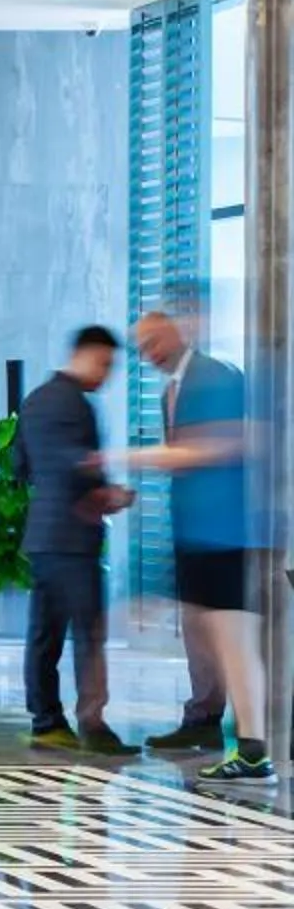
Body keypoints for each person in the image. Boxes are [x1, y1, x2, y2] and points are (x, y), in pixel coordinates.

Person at [125, 307, 271, 782]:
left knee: (234, 643)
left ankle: (252, 749)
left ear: (179, 329)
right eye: (142, 347)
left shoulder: (216, 376)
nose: (149, 354)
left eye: (153, 342)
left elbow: (222, 445)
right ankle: (217, 728)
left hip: (224, 532)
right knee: (214, 641)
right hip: (199, 533)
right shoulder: (176, 388)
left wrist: (135, 456)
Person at [12, 325, 132, 755]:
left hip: (43, 535)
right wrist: (109, 494)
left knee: (44, 633)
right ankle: (93, 725)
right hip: (73, 535)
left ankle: (45, 721)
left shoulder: (35, 400)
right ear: (86, 353)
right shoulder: (74, 404)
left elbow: (20, 464)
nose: (107, 374)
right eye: (105, 363)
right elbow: (76, 464)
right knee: (88, 632)